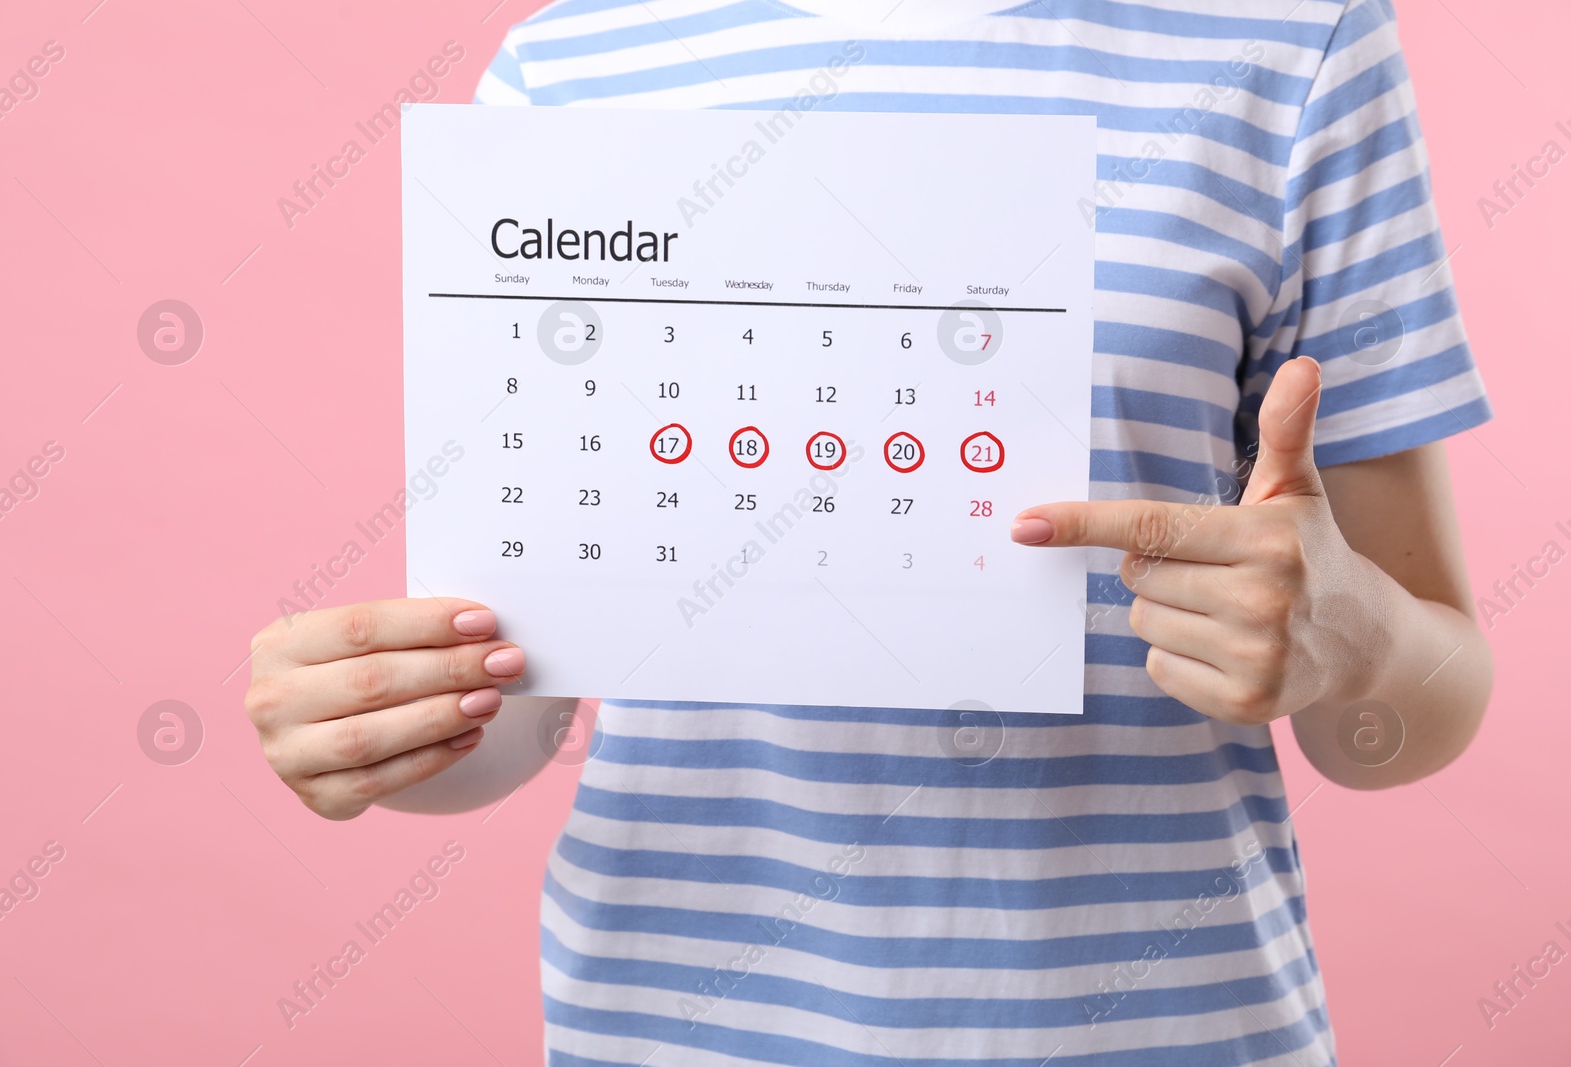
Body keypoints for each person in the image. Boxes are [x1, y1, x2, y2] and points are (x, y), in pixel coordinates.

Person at [244, 1, 1494, 1062]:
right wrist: (381, 722)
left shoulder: (1296, 41)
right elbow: (521, 703)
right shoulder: (574, 61)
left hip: (1171, 1022)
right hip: (671, 1021)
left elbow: (1421, 703)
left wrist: (1358, 641)